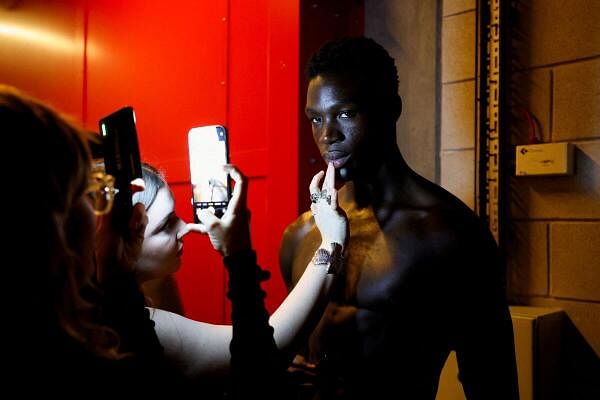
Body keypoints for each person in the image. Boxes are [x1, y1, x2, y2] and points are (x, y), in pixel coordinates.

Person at [3, 84, 347, 398]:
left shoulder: (94, 311)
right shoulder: (108, 332)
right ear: (54, 226)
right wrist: (329, 241)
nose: (185, 229)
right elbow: (264, 357)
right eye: (89, 194)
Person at [279, 36, 520, 399]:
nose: (328, 136)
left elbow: (493, 383)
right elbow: (285, 349)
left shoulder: (450, 235)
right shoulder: (301, 234)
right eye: (316, 119)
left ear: (391, 109)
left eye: (345, 114)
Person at [127, 161, 349, 389]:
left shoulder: (139, 295)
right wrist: (333, 241)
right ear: (120, 244)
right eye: (165, 225)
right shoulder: (133, 327)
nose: (184, 227)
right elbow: (267, 353)